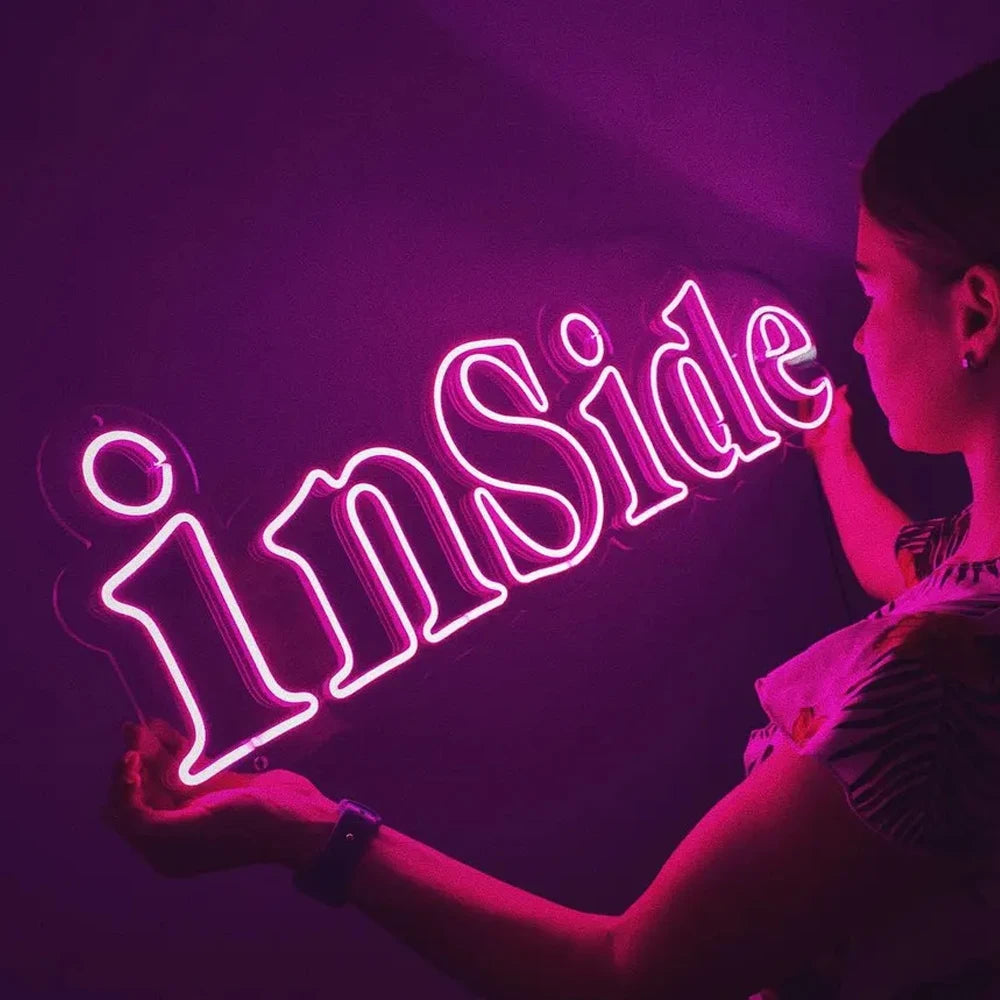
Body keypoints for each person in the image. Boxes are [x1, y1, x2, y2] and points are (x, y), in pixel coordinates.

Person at [105, 59, 1000, 1000]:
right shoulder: (974, 581)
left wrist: (310, 834)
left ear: (976, 312)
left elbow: (625, 978)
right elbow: (899, 563)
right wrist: (832, 451)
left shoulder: (931, 701)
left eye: (872, 291)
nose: (856, 334)